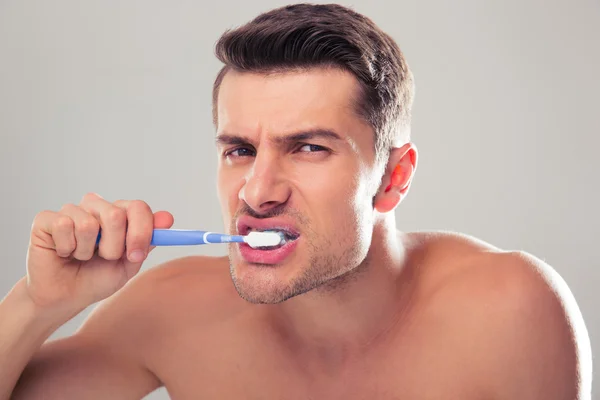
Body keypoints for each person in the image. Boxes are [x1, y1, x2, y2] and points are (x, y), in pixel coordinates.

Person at [0, 3, 592, 399]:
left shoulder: (509, 312)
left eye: (308, 148)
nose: (257, 193)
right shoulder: (167, 312)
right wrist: (37, 303)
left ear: (394, 177)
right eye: (238, 150)